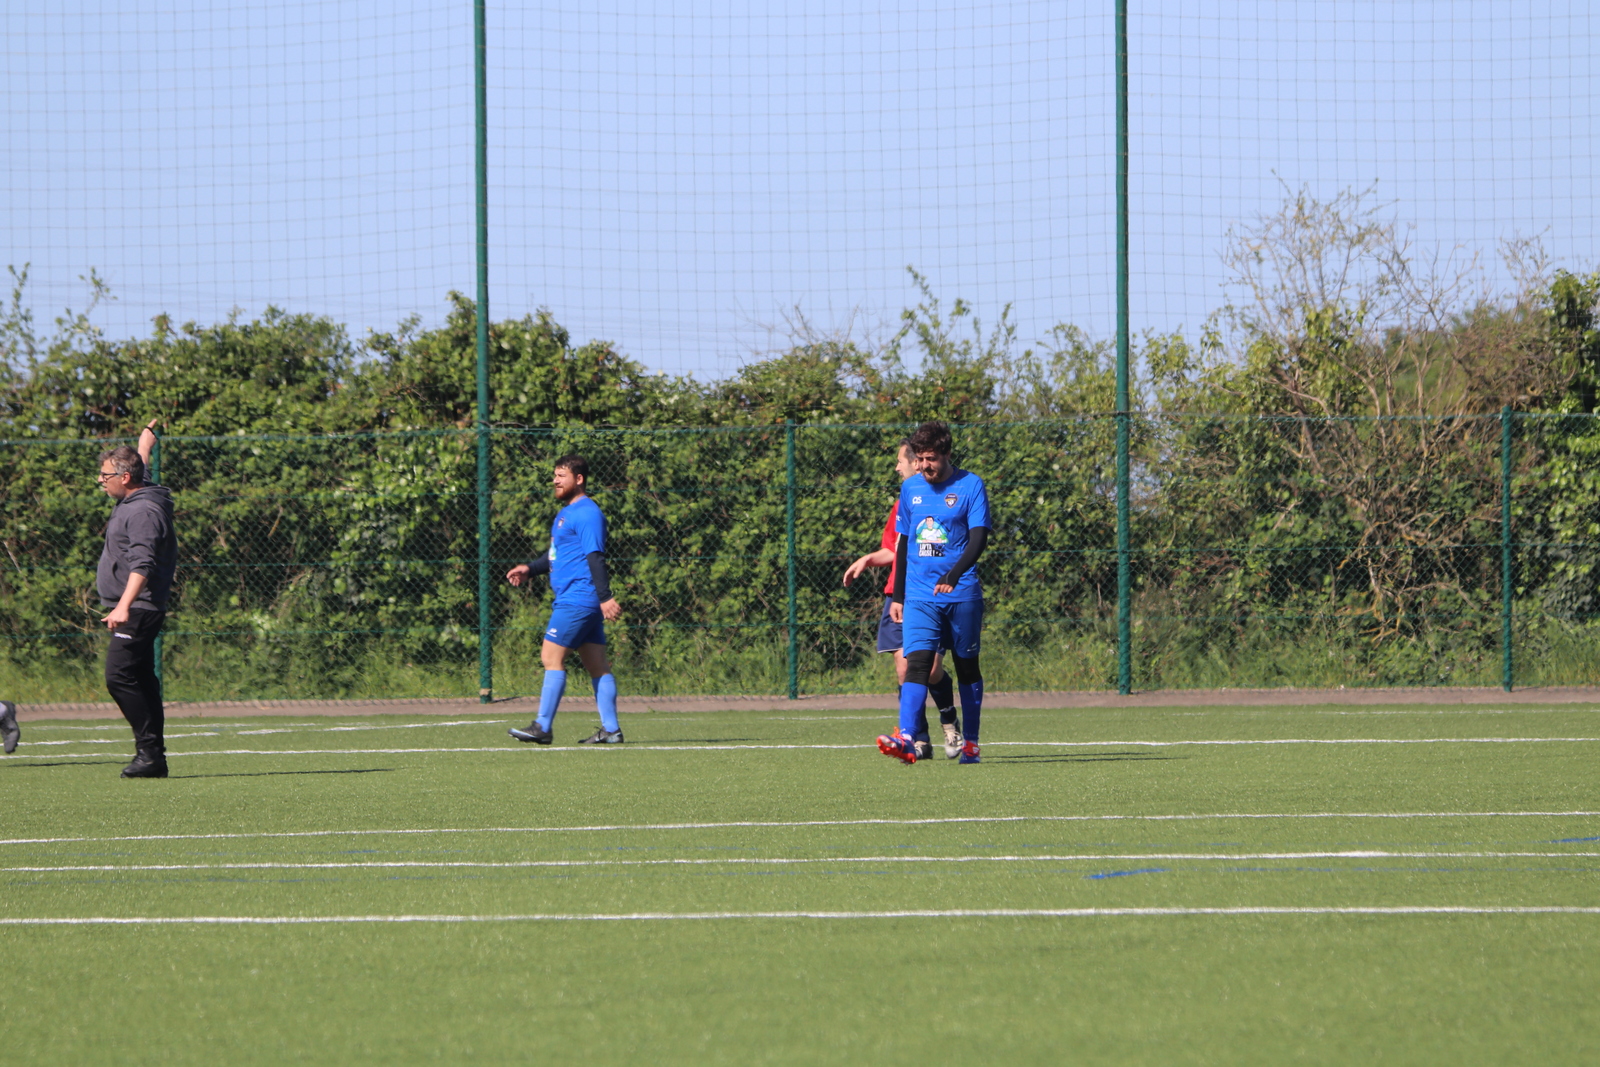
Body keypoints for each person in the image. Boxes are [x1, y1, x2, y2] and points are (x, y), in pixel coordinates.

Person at [878, 421, 990, 765]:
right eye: (921, 459)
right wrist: (898, 596)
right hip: (919, 595)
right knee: (917, 664)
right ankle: (907, 737)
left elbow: (979, 537)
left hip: (961, 593)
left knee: (966, 666)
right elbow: (904, 544)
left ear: (947, 454)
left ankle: (971, 743)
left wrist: (954, 575)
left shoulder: (971, 485)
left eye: (931, 459)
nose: (925, 466)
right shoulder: (910, 488)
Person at [842, 439, 962, 760]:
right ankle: (918, 740)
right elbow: (893, 548)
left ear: (917, 463)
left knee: (931, 669)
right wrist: (867, 559)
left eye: (900, 461)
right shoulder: (902, 502)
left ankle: (949, 720)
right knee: (903, 668)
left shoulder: (944, 499)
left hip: (930, 595)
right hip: (899, 596)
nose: (897, 467)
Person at [505, 455, 625, 745]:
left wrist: (605, 597)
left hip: (578, 598)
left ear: (579, 479)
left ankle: (542, 727)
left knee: (551, 657)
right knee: (597, 665)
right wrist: (530, 569)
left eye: (561, 475)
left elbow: (595, 556)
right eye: (555, 475)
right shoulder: (566, 513)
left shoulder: (587, 513)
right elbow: (556, 555)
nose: (555, 480)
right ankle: (611, 730)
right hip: (581, 599)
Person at [97, 421, 178, 778]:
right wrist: (143, 445)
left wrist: (124, 605)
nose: (101, 480)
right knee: (142, 679)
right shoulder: (135, 496)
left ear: (125, 478)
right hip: (136, 606)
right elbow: (139, 468)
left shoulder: (143, 511)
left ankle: (149, 752)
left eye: (105, 476)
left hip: (139, 607)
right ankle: (153, 758)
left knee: (118, 675)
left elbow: (143, 563)